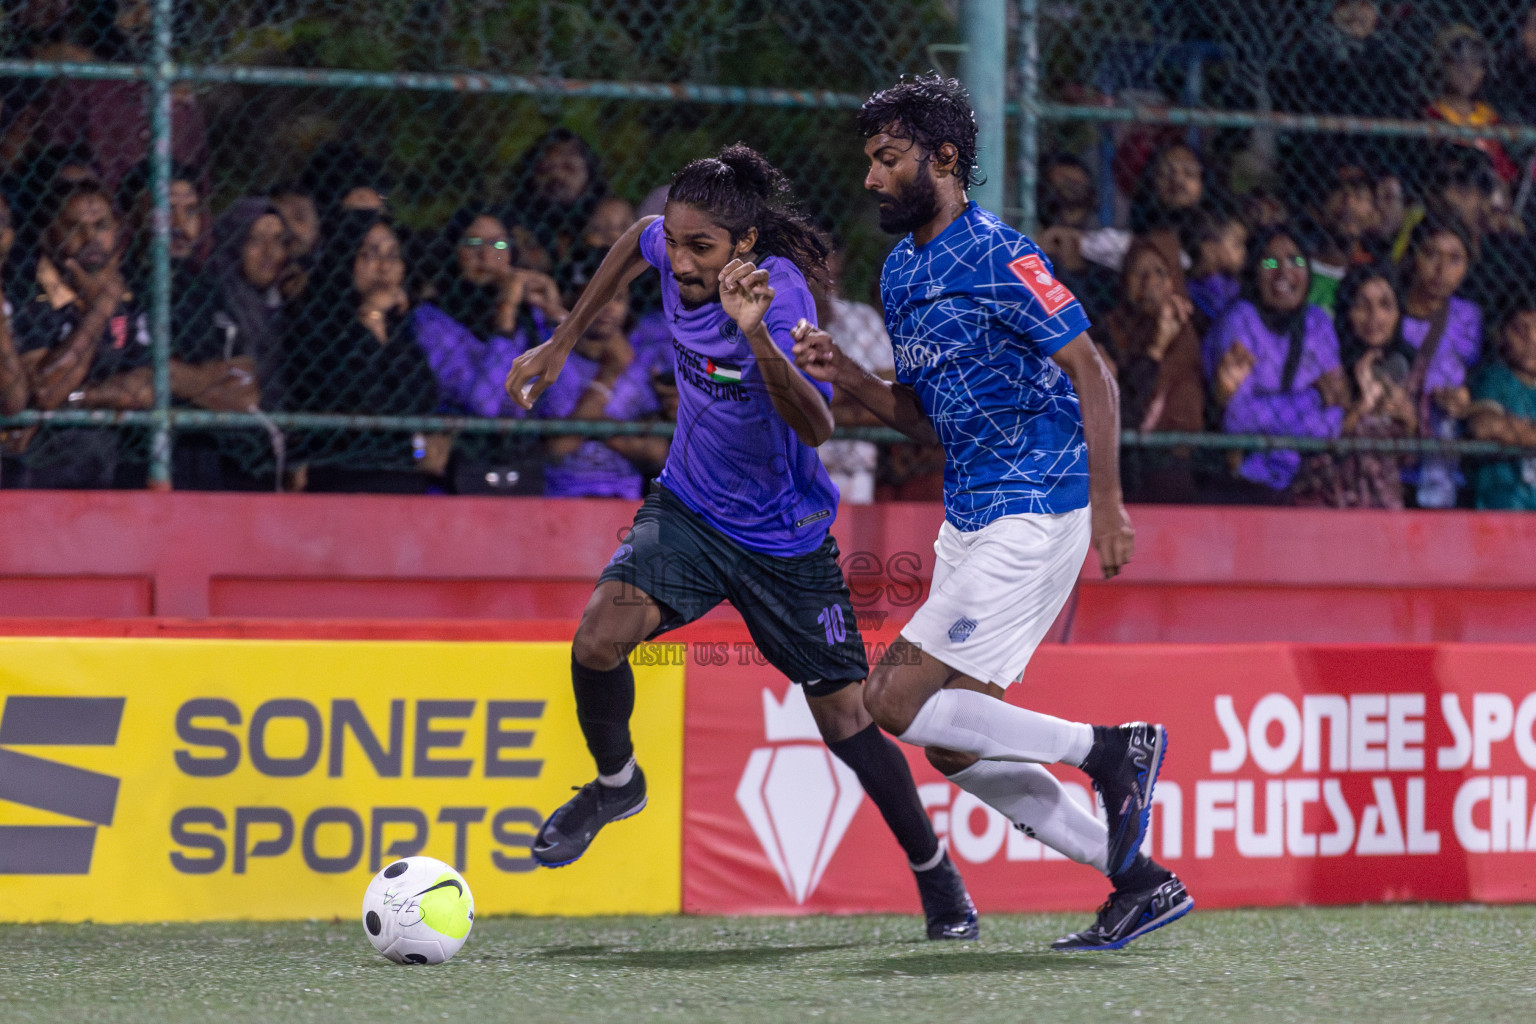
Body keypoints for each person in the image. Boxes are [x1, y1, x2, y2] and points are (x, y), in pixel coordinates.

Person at [505, 143, 980, 942]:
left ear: (744, 247)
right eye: (680, 244)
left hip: (785, 544)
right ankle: (617, 784)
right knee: (597, 639)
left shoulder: (784, 298)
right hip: (689, 510)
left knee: (849, 722)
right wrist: (560, 343)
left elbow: (821, 425)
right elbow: (634, 242)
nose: (681, 263)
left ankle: (939, 880)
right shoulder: (667, 242)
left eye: (702, 249)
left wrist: (754, 337)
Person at [793, 74, 1191, 952]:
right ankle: (1138, 881)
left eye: (887, 159)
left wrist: (1110, 502)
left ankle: (1109, 750)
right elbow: (922, 415)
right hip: (970, 516)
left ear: (941, 159)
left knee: (889, 699)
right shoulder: (900, 272)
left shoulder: (1002, 254)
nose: (871, 178)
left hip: (1039, 509)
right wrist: (849, 374)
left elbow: (1096, 372)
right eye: (869, 160)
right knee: (956, 747)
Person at [279, 210, 442, 493]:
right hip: (340, 479)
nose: (384, 268)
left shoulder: (400, 327)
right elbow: (360, 401)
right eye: (369, 255)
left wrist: (378, 323)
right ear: (345, 259)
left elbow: (421, 403)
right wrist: (370, 316)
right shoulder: (313, 324)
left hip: (403, 480)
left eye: (393, 256)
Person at [10, 181, 152, 489]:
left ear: (118, 232)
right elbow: (46, 391)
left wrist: (77, 399)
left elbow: (149, 386)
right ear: (49, 237)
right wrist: (101, 308)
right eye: (75, 228)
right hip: (40, 471)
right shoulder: (26, 293)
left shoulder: (134, 292)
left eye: (101, 226)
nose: (91, 239)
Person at [1204, 227, 1348, 499]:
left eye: (1296, 261)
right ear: (1254, 271)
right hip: (1247, 479)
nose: (1284, 272)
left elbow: (1336, 419)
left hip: (1310, 476)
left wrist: (1264, 414)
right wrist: (1313, 396)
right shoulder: (1239, 321)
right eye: (1269, 262)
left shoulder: (1317, 322)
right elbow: (1236, 419)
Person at [168, 198, 292, 490]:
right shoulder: (208, 298)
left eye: (278, 240)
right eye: (256, 240)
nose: (269, 253)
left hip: (270, 453)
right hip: (215, 454)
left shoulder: (284, 307)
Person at [1290, 263, 1416, 508]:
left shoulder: (1408, 366)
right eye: (1362, 305)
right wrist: (1360, 407)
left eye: (1385, 305)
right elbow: (1317, 450)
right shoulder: (1325, 367)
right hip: (1328, 499)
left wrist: (1409, 421)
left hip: (1383, 502)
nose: (1374, 316)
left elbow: (1408, 458)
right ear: (1347, 311)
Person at [1092, 237, 1204, 503]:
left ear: (1174, 281)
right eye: (1138, 273)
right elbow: (1127, 411)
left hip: (1180, 469)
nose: (1149, 282)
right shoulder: (1108, 332)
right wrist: (1157, 347)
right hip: (1124, 469)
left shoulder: (1194, 332)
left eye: (1160, 273)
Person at [1398, 217, 1482, 507]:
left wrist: (1465, 395)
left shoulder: (1469, 317)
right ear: (1413, 256)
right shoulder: (1388, 309)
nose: (1441, 270)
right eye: (1431, 254)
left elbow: (1475, 374)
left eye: (1455, 259)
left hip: (1443, 454)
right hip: (1395, 447)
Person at [1468, 300, 1536, 509]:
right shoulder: (1493, 378)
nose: (1531, 339)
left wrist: (1516, 430)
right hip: (1502, 509)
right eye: (1519, 329)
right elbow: (1484, 426)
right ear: (1500, 336)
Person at [1181, 205, 1247, 323]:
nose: (1244, 252)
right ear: (1210, 249)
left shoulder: (1234, 284)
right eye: (1237, 244)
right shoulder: (1191, 289)